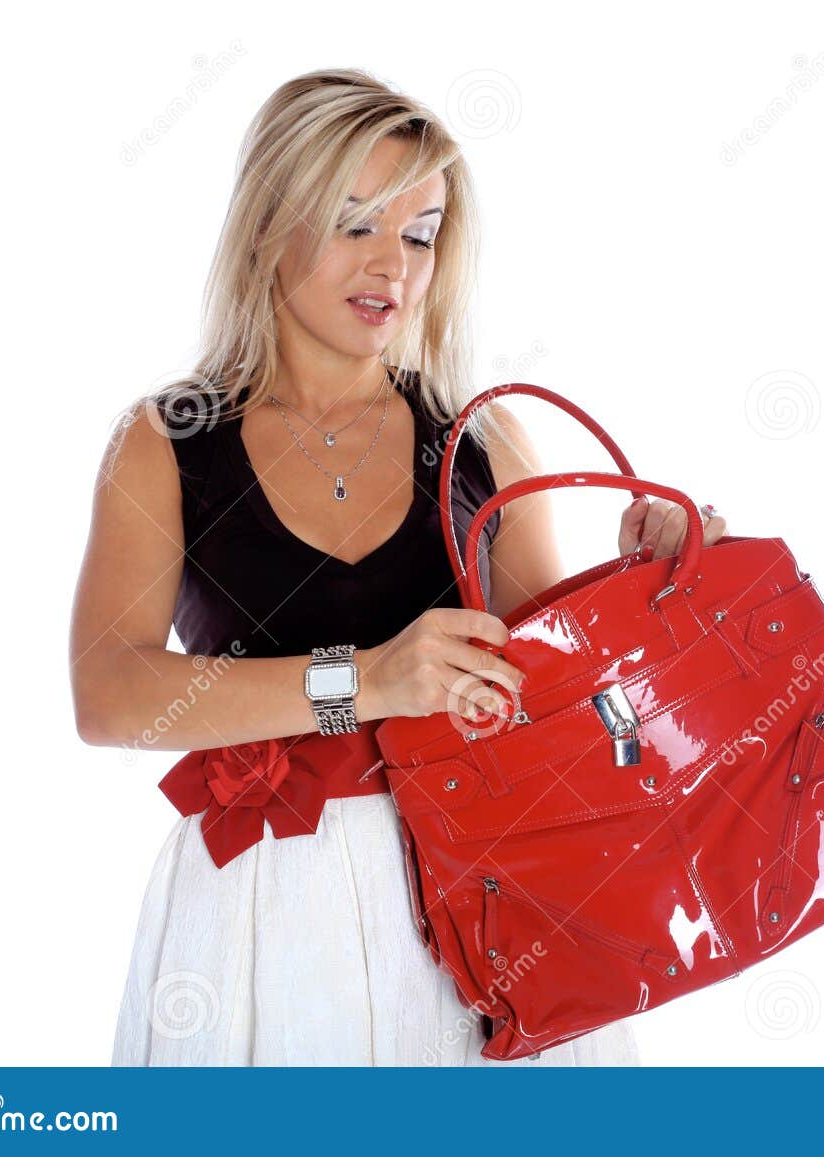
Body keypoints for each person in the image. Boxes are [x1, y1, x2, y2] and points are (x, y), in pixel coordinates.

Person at [68, 68, 726, 1065]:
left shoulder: (482, 442)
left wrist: (661, 586)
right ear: (264, 224)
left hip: (486, 899)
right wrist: (366, 679)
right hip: (259, 912)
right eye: (355, 223)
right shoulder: (169, 440)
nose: (394, 266)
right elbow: (110, 694)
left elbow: (569, 709)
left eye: (419, 233)